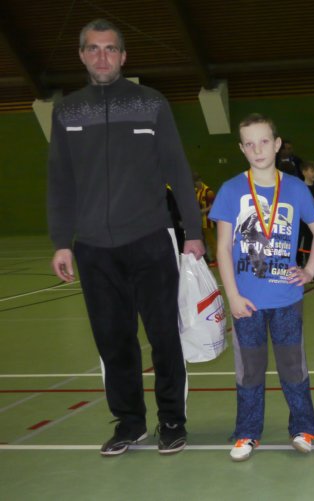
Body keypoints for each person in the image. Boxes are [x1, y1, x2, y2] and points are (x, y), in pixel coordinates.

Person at [47, 19, 203, 456]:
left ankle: (171, 420)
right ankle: (130, 423)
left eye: (110, 48)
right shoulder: (66, 111)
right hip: (93, 248)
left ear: (123, 56)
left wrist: (192, 232)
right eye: (94, 49)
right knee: (113, 341)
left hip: (150, 238)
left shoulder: (151, 103)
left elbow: (177, 169)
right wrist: (61, 241)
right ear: (82, 55)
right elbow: (60, 181)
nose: (102, 56)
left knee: (164, 337)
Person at [209, 114, 314, 462]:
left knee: (293, 367)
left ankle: (303, 428)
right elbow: (222, 248)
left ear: (277, 144)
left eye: (263, 142)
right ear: (242, 149)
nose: (257, 149)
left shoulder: (296, 188)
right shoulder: (231, 190)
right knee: (249, 371)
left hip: (286, 298)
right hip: (247, 302)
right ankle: (247, 433)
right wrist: (232, 296)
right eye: (250, 144)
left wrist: (310, 270)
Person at [298, 163, 314, 268]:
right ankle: (301, 266)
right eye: (312, 171)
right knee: (303, 246)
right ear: (304, 172)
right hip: (304, 225)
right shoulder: (300, 188)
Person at [194, 171, 218, 265]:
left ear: (201, 180)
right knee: (205, 241)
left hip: (208, 220)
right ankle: (209, 258)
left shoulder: (208, 191)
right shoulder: (197, 191)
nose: (197, 183)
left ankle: (217, 259)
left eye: (197, 181)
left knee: (211, 241)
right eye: (195, 182)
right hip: (200, 221)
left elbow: (214, 205)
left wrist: (202, 211)